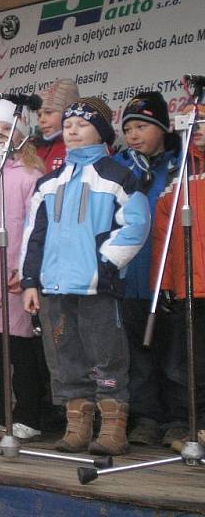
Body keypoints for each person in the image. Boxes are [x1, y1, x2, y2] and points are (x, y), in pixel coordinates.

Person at [21, 97, 150, 456]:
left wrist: (105, 264)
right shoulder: (49, 182)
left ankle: (112, 428)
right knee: (64, 356)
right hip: (54, 286)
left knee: (106, 354)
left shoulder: (117, 176)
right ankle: (76, 424)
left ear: (102, 131)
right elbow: (34, 233)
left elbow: (136, 226)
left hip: (98, 286)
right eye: (68, 123)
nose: (72, 129)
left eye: (82, 123)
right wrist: (30, 280)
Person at [112, 92, 180, 446]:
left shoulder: (181, 163)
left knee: (174, 352)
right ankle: (147, 417)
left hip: (169, 277)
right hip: (129, 278)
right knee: (136, 354)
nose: (133, 134)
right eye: (128, 128)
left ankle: (178, 420)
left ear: (163, 127)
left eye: (142, 126)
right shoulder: (121, 166)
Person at [0, 100, 46, 441]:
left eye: (8, 130)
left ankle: (29, 415)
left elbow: (36, 226)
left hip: (16, 274)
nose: (1, 136)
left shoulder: (32, 175)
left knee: (21, 346)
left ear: (21, 134)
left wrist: (26, 269)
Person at [150, 102, 205, 446]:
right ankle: (189, 423)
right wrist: (165, 283)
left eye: (202, 123)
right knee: (188, 361)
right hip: (189, 286)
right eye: (191, 125)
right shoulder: (177, 179)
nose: (197, 130)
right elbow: (163, 238)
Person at [33, 79, 79, 173]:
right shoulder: (36, 150)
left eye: (48, 112)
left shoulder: (83, 148)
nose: (42, 119)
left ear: (68, 112)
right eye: (39, 115)